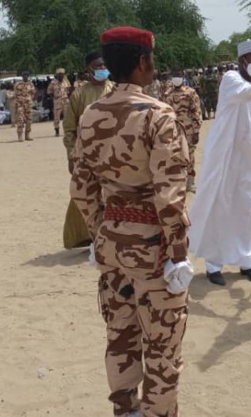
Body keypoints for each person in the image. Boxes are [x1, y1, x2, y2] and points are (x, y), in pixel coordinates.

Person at [71, 26, 191, 417]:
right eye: (151, 59)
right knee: (162, 346)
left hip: (111, 245)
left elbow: (81, 188)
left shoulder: (91, 115)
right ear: (142, 62)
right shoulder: (158, 115)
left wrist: (100, 231)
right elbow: (169, 196)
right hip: (154, 249)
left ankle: (125, 409)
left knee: (120, 335)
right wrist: (178, 251)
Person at [188, 39, 251, 286]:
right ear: (242, 61)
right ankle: (214, 265)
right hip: (224, 159)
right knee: (220, 206)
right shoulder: (231, 80)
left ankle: (247, 262)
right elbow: (246, 93)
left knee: (245, 208)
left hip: (249, 160)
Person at [62, 51, 115, 249]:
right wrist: (71, 156)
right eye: (97, 66)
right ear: (88, 69)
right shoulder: (79, 95)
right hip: (86, 155)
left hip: (113, 153)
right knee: (87, 195)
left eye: (104, 65)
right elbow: (69, 129)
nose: (102, 69)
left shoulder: (115, 90)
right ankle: (90, 236)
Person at [164, 69, 203, 193]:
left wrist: (196, 131)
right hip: (173, 130)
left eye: (179, 75)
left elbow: (196, 111)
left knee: (189, 156)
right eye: (175, 75)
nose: (177, 78)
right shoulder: (167, 93)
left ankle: (190, 183)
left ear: (183, 77)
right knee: (174, 155)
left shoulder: (190, 92)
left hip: (188, 130)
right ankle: (178, 182)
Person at [47, 68, 70, 137]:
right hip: (57, 101)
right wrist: (54, 98)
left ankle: (66, 131)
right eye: (59, 75)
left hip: (65, 101)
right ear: (57, 75)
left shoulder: (66, 82)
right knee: (57, 117)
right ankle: (57, 130)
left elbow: (68, 90)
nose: (61, 76)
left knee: (67, 117)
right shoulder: (53, 83)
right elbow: (49, 91)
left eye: (62, 75)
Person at [14, 72, 36, 142]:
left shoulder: (31, 84)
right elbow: (15, 94)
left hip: (28, 105)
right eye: (24, 75)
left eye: (27, 75)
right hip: (20, 104)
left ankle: (27, 135)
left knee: (29, 120)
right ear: (22, 76)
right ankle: (20, 135)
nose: (26, 76)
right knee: (20, 119)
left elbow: (33, 93)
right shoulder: (18, 84)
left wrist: (29, 99)